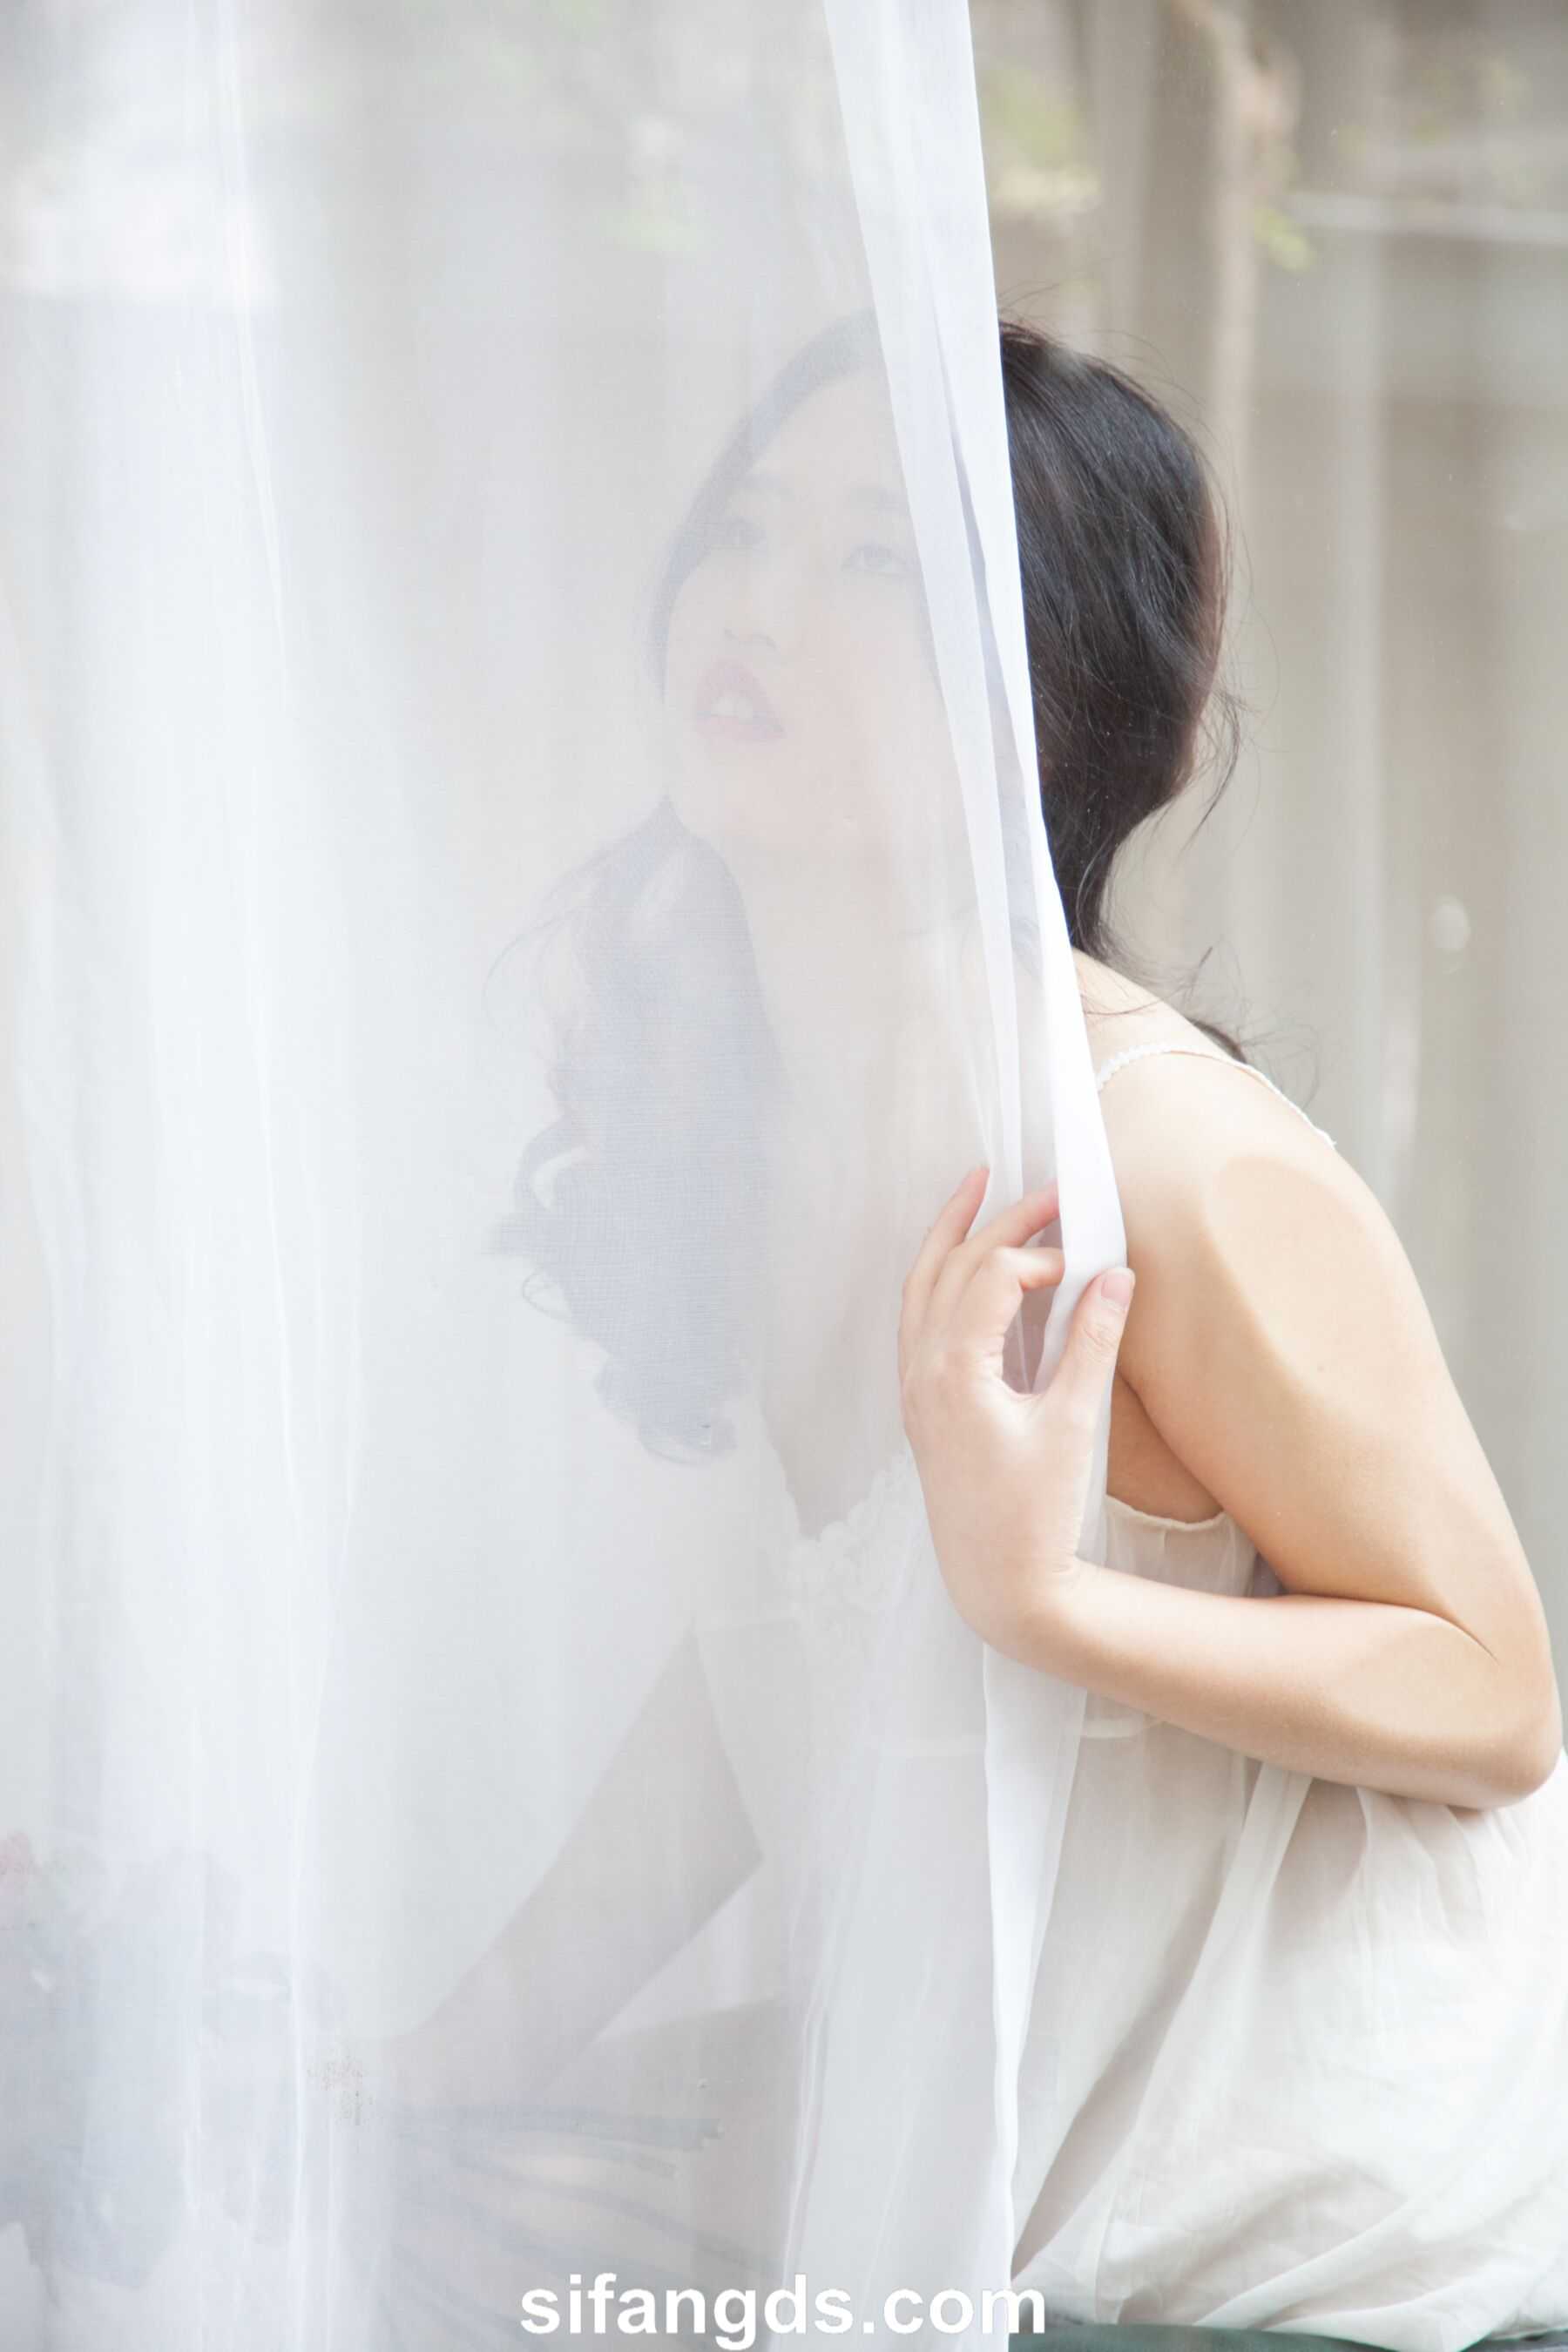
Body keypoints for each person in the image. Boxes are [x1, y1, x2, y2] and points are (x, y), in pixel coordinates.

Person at [374, 313, 1568, 2349]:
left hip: (1319, 2278)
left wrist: (1046, 1601)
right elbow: (778, 1662)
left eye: (873, 560)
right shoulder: (754, 1132)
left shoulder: (1164, 1161)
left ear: (1051, 697)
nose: (759, 602)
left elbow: (1494, 1694)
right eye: (747, 527)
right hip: (1017, 2236)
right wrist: (432, 2070)